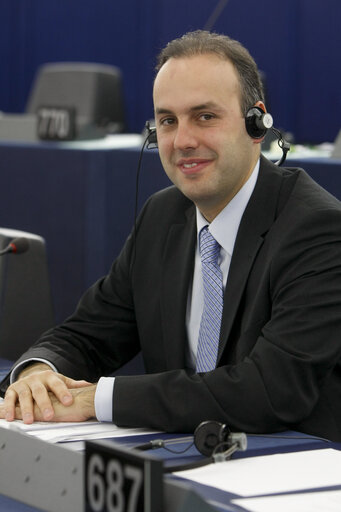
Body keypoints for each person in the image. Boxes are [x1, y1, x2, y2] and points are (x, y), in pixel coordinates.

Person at [1, 30, 341, 442]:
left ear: (257, 123)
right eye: (167, 121)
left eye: (205, 116)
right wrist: (40, 372)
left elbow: (269, 390)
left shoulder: (319, 229)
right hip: (184, 464)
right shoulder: (163, 216)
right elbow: (88, 334)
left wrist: (96, 399)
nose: (182, 141)